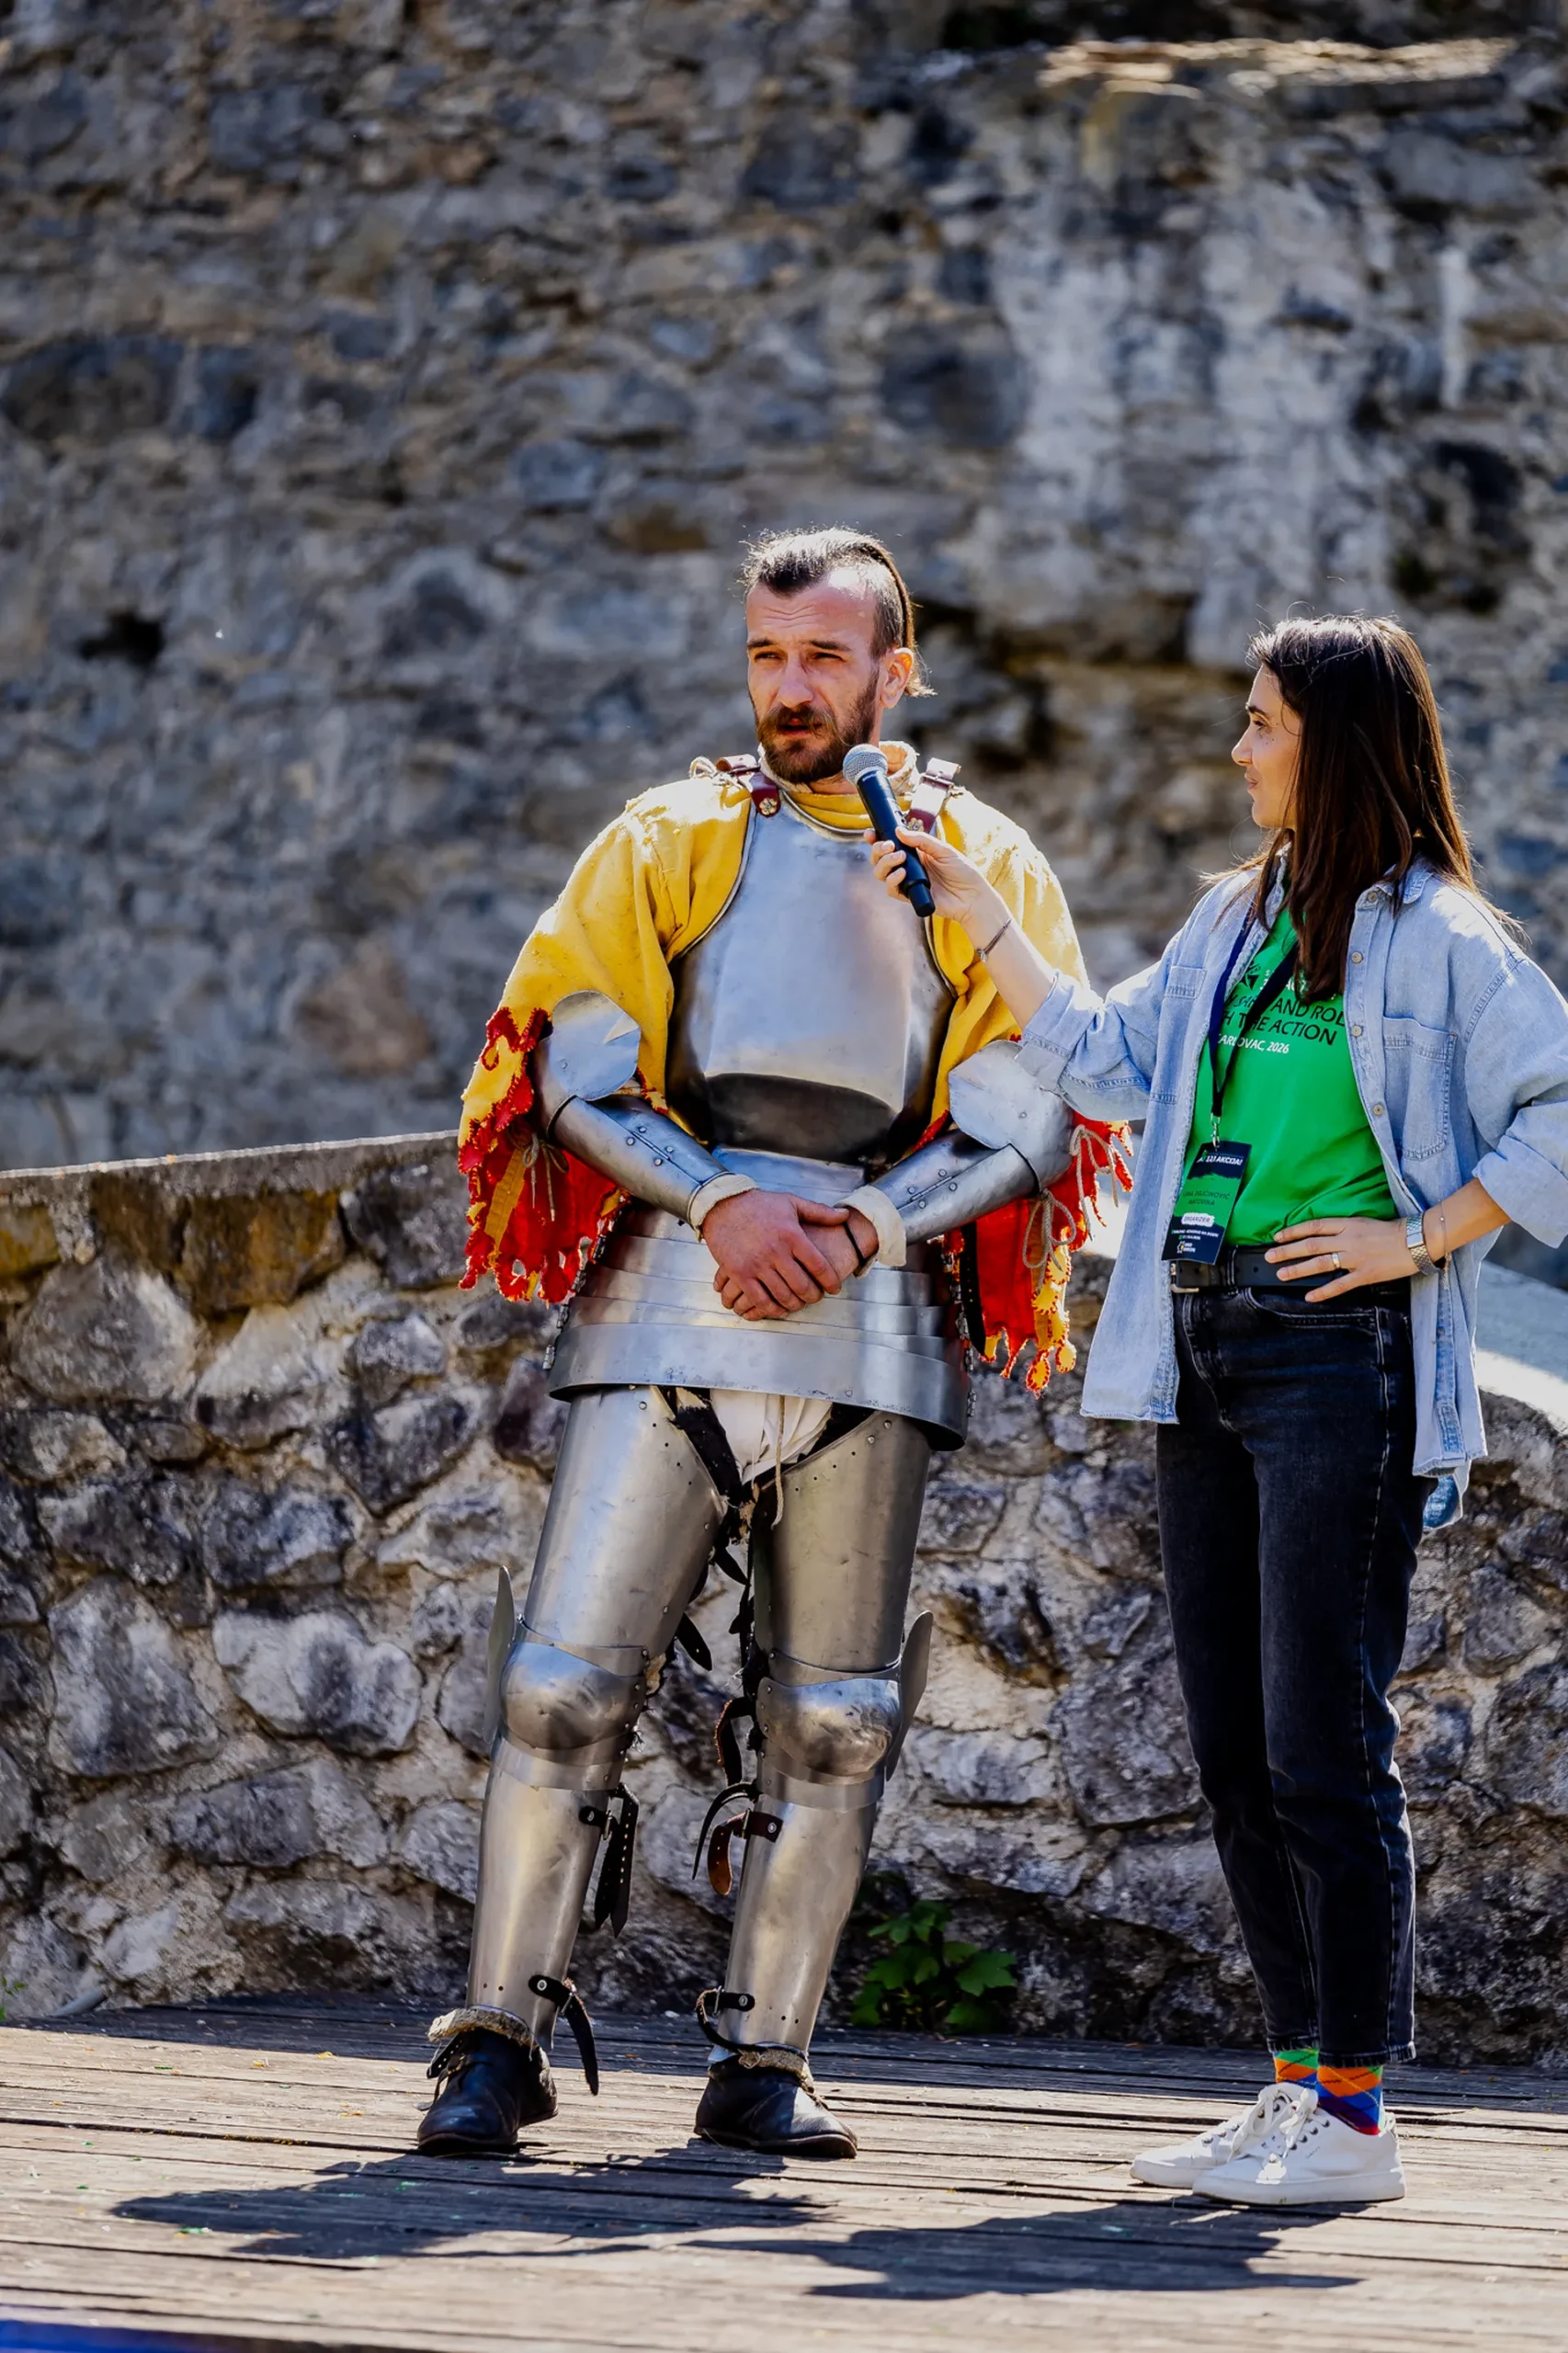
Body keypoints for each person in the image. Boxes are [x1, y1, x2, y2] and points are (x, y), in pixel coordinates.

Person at [416, 526, 1126, 2161]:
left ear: (895, 672)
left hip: (874, 1315)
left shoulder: (981, 863)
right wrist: (721, 1201)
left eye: (822, 657)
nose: (788, 688)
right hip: (672, 1281)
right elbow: (576, 1062)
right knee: (559, 1690)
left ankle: (767, 2060)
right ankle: (494, 2044)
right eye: (765, 655)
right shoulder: (666, 836)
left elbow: (1030, 1103)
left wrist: (865, 1228)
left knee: (834, 1719)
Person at [869, 613, 1568, 2208]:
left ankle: (1355, 2119)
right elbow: (1104, 1064)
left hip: (1340, 1357)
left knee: (1323, 1741)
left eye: (1262, 724)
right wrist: (975, 905)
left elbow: (1559, 1104)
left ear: (1336, 744)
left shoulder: (1444, 939)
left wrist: (1420, 1234)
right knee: (1235, 1749)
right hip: (1198, 1348)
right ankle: (1291, 2089)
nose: (1238, 748)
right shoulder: (1231, 918)